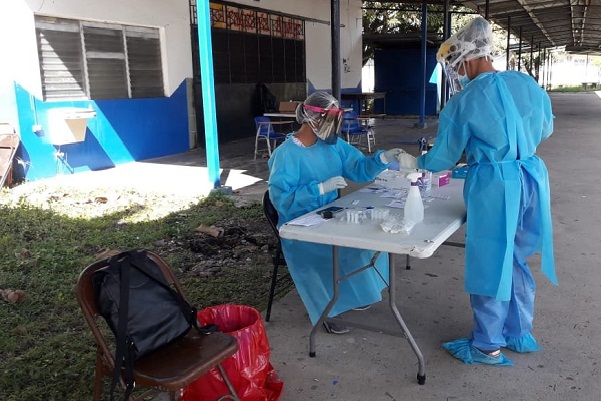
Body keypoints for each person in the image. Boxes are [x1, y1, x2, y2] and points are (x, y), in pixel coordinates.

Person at [396, 17, 558, 365]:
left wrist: (415, 163)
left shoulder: (464, 101)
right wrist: (510, 146)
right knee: (515, 257)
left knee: (490, 259)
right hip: (530, 177)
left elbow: (442, 157)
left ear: (466, 60)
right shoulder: (525, 83)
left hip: (496, 187)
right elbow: (545, 128)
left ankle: (487, 345)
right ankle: (517, 331)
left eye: (457, 67)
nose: (459, 74)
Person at [268, 91, 402, 334]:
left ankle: (355, 294)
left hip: (329, 214)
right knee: (324, 255)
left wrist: (381, 158)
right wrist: (319, 188)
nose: (334, 128)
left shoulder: (333, 146)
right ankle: (329, 310)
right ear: (314, 119)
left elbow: (359, 168)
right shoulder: (286, 154)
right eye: (331, 120)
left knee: (369, 241)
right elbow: (282, 199)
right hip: (299, 224)